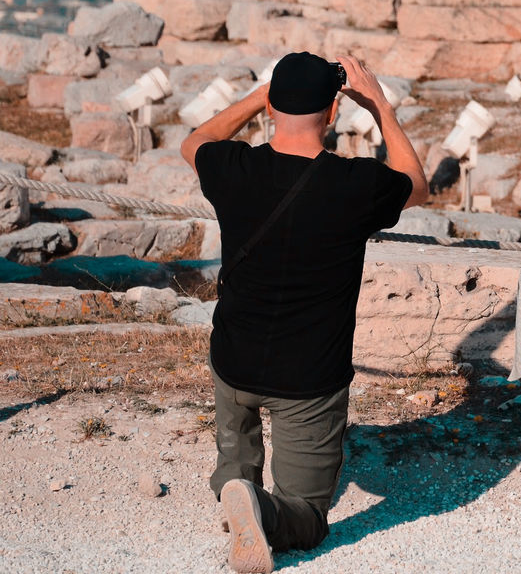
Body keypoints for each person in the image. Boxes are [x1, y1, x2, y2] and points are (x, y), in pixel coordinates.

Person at [180, 51, 427, 573]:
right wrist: (380, 104)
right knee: (310, 515)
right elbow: (416, 182)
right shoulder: (355, 184)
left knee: (237, 447)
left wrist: (257, 97)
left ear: (271, 107)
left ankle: (235, 488)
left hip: (235, 356)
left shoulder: (234, 167)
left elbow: (194, 142)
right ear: (333, 113)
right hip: (308, 377)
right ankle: (265, 513)